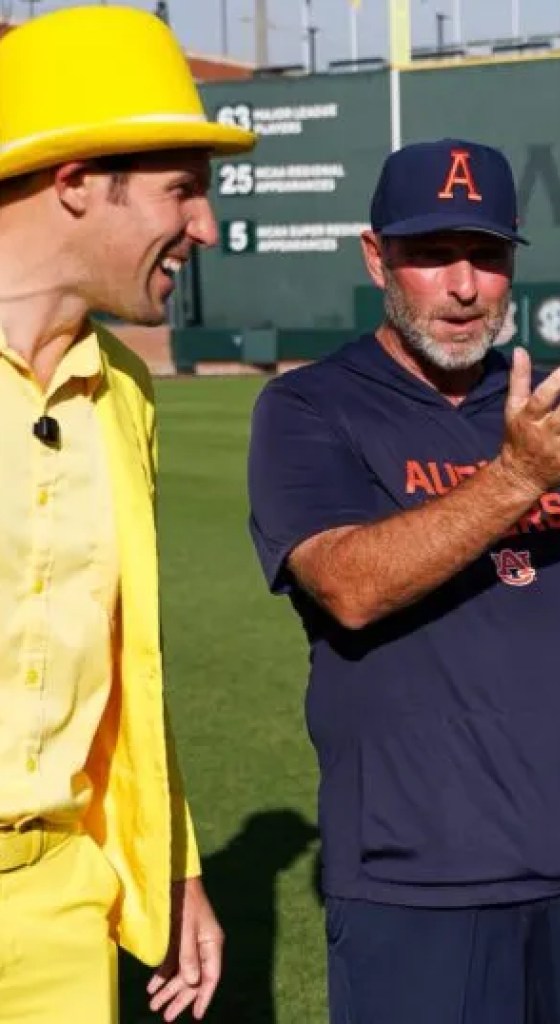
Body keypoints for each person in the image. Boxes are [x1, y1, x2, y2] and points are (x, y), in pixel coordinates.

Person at [247, 136, 560, 1024]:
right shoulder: (310, 408)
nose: (465, 286)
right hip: (418, 880)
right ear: (377, 258)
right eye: (432, 256)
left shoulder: (559, 409)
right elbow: (347, 586)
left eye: (487, 256)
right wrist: (516, 477)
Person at [0, 7, 256, 1023]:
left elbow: (128, 670)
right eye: (181, 191)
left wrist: (176, 863)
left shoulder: (125, 396)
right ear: (75, 181)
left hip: (61, 898)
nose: (203, 227)